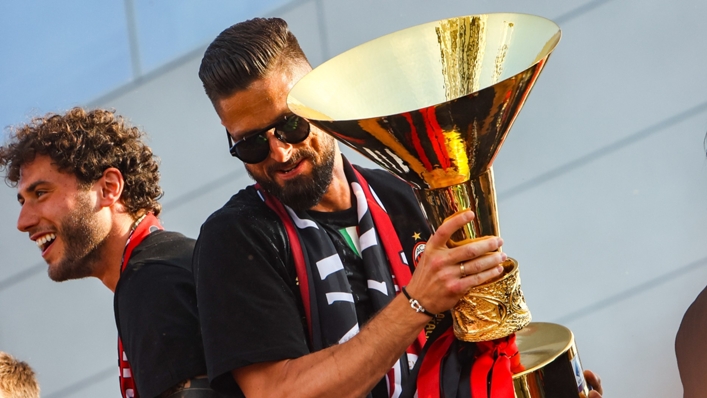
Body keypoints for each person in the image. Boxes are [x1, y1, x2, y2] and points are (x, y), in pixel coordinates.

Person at [194, 17, 603, 398]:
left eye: (290, 126)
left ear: (316, 99)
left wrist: (532, 384)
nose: (280, 152)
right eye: (250, 143)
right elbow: (277, 392)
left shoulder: (402, 191)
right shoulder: (234, 236)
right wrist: (415, 304)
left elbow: (464, 354)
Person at [0, 108, 227, 398]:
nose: (23, 222)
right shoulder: (160, 269)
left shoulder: (153, 281)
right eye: (22, 201)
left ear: (109, 188)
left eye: (41, 193)